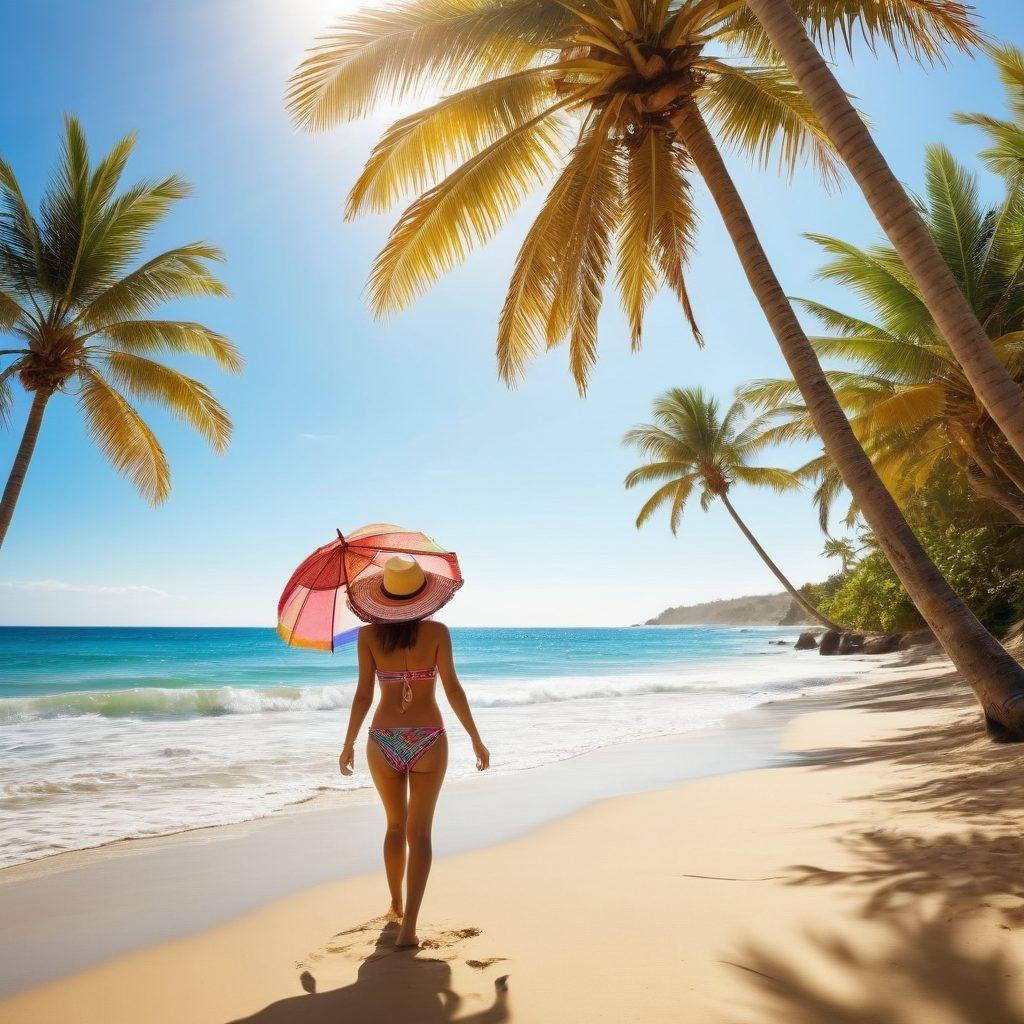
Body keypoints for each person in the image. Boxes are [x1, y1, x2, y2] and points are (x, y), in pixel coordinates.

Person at [340, 554, 490, 948]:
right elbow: (453, 688)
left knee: (394, 826)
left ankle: (395, 904)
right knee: (419, 832)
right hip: (428, 738)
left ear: (383, 599)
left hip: (382, 737)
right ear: (424, 596)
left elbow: (362, 695)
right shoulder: (438, 633)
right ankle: (409, 930)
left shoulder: (368, 637)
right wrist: (475, 736)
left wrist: (349, 742)